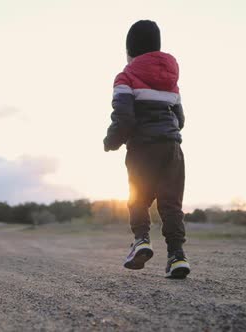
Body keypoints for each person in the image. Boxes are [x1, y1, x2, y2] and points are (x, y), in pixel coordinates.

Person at [103, 20, 190, 278]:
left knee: (138, 197)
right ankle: (177, 256)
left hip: (142, 149)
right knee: (171, 204)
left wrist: (112, 140)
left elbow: (124, 117)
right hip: (172, 148)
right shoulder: (171, 80)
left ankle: (141, 240)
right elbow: (180, 120)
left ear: (129, 51)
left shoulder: (126, 76)